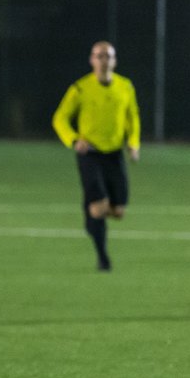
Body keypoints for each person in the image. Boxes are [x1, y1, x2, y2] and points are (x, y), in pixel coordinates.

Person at [52, 40, 140, 272]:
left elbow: (133, 117)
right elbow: (59, 118)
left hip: (114, 154)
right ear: (91, 60)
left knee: (118, 211)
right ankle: (103, 258)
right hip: (89, 154)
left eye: (108, 56)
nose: (103, 61)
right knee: (99, 209)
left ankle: (90, 209)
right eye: (99, 56)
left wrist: (133, 143)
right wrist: (72, 139)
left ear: (115, 61)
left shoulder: (125, 87)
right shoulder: (80, 88)